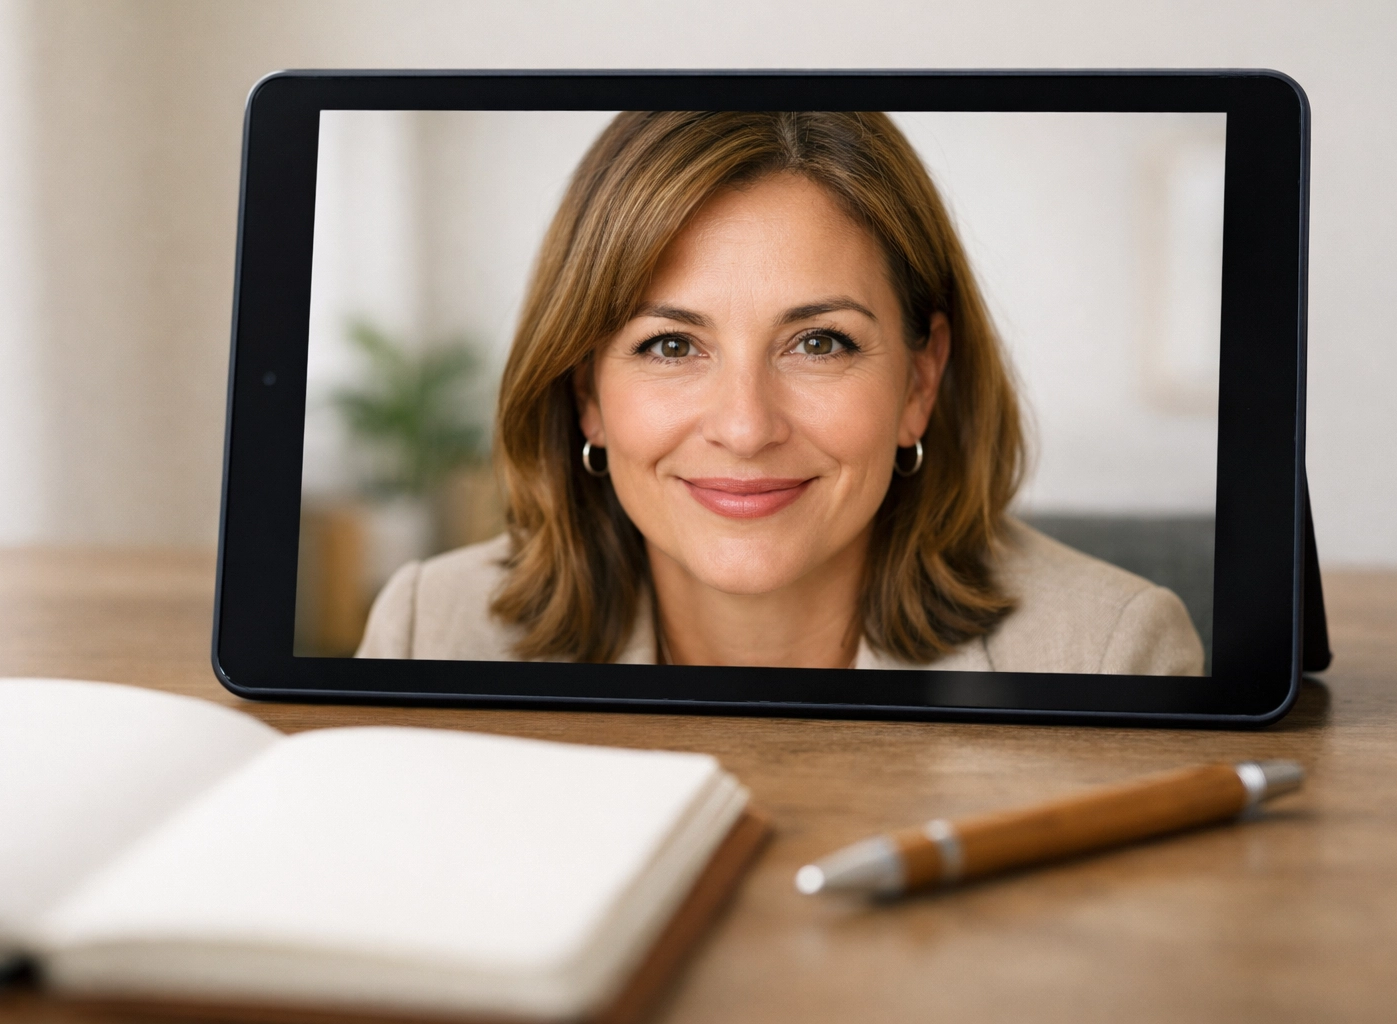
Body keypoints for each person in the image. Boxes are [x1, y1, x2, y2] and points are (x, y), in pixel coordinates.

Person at [357, 111, 1203, 674]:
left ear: (919, 378)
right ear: (588, 394)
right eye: (671, 344)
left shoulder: (1111, 651)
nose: (745, 425)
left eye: (819, 342)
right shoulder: (428, 633)